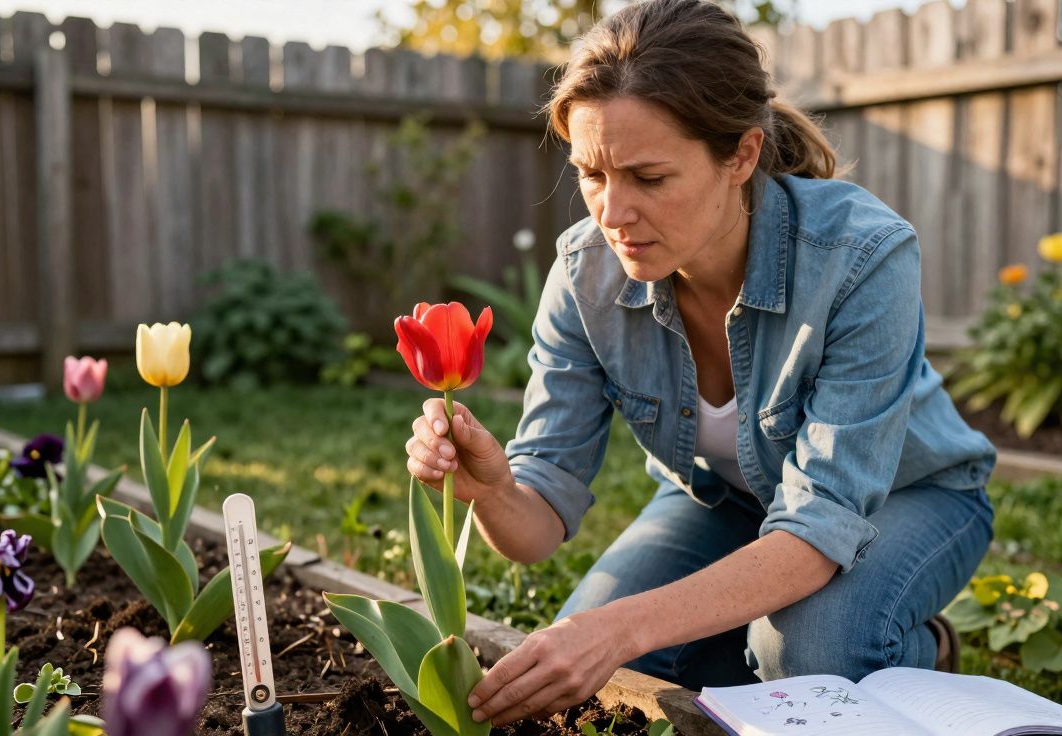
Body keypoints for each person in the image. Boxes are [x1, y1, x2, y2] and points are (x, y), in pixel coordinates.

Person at [403, 0, 997, 727]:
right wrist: (493, 487)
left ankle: (908, 650)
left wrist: (625, 624)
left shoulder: (861, 257)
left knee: (804, 651)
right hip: (722, 502)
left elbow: (820, 527)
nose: (611, 212)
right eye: (591, 174)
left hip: (906, 498)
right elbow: (535, 530)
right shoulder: (585, 276)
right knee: (601, 677)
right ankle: (758, 643)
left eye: (648, 178)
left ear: (741, 155)